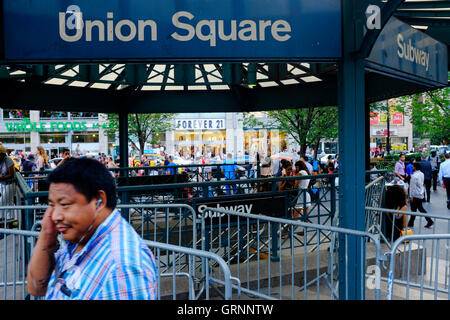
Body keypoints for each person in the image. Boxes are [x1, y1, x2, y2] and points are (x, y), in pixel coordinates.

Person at [26, 158, 157, 300]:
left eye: (64, 204)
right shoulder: (81, 236)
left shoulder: (122, 268)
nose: (55, 215)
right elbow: (36, 288)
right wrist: (47, 232)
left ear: (99, 201)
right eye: (52, 205)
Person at [407, 162, 434, 229]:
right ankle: (411, 223)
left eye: (413, 166)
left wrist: (410, 196)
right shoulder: (422, 174)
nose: (412, 167)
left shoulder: (413, 176)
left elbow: (412, 187)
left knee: (415, 209)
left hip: (415, 195)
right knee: (419, 208)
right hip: (420, 193)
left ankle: (411, 223)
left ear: (415, 168)